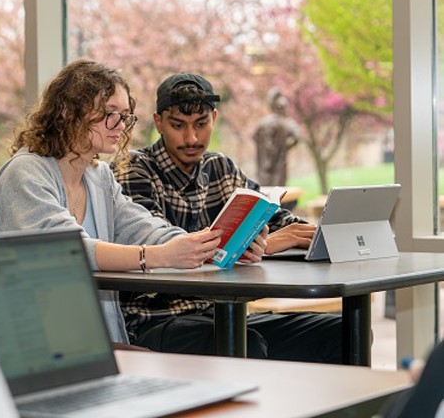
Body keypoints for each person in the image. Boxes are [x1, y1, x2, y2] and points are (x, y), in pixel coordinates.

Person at [0, 59, 267, 346]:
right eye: (110, 114)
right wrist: (157, 256)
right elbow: (66, 248)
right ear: (68, 112)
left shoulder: (98, 177)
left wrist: (215, 245)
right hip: (26, 346)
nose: (120, 125)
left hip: (81, 342)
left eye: (125, 116)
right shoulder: (25, 172)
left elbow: (145, 227)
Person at [113, 72, 343, 363]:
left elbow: (281, 223)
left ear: (215, 118)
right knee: (243, 343)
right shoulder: (134, 169)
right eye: (177, 126)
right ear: (158, 122)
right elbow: (170, 248)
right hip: (155, 321)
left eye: (201, 124)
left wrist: (329, 233)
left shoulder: (220, 167)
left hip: (222, 315)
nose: (192, 138)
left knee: (340, 332)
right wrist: (266, 244)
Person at [253, 87, 300, 186]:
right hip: (279, 165)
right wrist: (286, 147)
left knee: (265, 192)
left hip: (263, 165)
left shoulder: (261, 123)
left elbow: (254, 137)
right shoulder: (287, 123)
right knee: (278, 193)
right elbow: (297, 137)